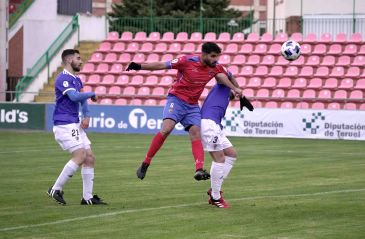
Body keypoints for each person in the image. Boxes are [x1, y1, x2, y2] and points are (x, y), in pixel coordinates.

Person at [126, 42, 242, 181]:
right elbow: (162, 65)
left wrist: (236, 89)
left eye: (217, 57)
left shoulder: (215, 67)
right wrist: (139, 66)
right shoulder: (186, 61)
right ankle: (146, 162)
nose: (215, 60)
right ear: (203, 54)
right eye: (212, 56)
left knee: (195, 133)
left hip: (192, 105)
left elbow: (227, 75)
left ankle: (199, 169)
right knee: (166, 129)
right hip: (176, 100)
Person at [47, 49, 107, 205]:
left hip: (74, 122)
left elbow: (82, 100)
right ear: (68, 60)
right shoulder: (62, 79)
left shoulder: (77, 80)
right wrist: (92, 93)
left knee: (89, 157)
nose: (81, 61)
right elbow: (74, 96)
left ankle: (87, 198)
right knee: (80, 156)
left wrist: (87, 116)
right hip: (64, 123)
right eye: (78, 58)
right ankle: (56, 189)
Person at [200, 73, 241, 208]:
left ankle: (214, 189)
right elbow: (223, 75)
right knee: (219, 160)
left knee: (231, 154)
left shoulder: (225, 95)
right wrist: (237, 88)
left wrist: (237, 91)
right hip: (209, 124)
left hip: (215, 125)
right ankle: (216, 197)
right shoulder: (222, 85)